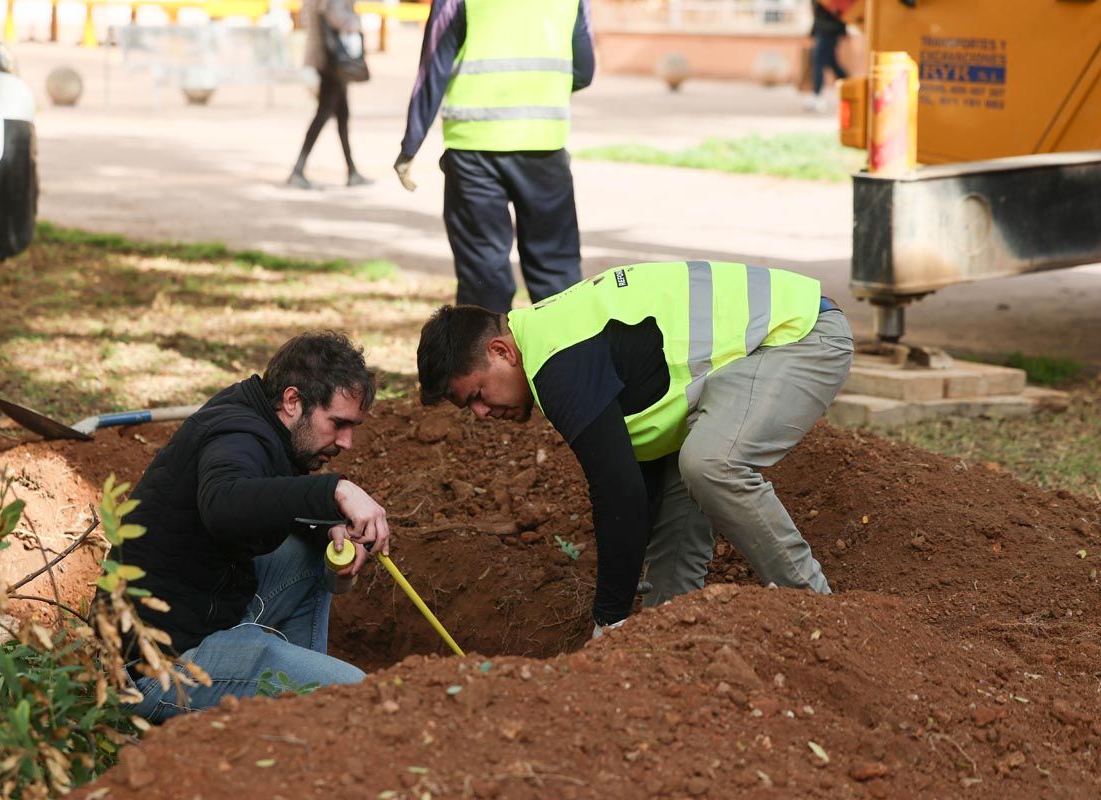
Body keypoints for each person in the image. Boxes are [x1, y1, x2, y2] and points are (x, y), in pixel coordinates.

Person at [416, 260, 853, 637]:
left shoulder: (556, 363)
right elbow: (638, 490)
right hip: (733, 371)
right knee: (670, 556)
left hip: (799, 337)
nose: (480, 413)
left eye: (475, 394)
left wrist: (609, 620)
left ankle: (820, 613)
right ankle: (658, 653)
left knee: (709, 464)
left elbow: (617, 495)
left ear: (500, 351)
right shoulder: (548, 339)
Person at [110, 332, 390, 721]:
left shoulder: (261, 418)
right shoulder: (237, 435)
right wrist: (334, 491)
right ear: (293, 401)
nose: (347, 442)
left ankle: (297, 698)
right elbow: (224, 503)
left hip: (194, 618)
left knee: (307, 548)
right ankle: (309, 706)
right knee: (354, 693)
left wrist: (327, 526)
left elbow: (271, 501)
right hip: (152, 670)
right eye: (338, 423)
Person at [394, 0, 595, 314]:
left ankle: (485, 360)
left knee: (483, 276)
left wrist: (411, 145)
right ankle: (569, 361)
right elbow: (584, 71)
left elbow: (434, 70)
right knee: (557, 273)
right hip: (543, 143)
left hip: (473, 147)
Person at [287, 0, 370, 188]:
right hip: (331, 60)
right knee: (323, 114)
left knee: (341, 115)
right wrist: (356, 19)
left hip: (327, 58)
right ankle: (298, 170)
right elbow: (336, 17)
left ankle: (352, 170)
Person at [806, 0, 848, 112]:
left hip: (828, 31)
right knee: (832, 63)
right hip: (826, 30)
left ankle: (817, 95)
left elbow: (838, 9)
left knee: (819, 62)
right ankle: (849, 84)